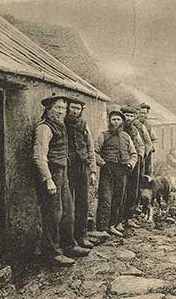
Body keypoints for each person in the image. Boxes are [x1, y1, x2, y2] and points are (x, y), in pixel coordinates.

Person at [33, 94, 90, 266]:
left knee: (68, 211)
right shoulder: (44, 128)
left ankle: (69, 245)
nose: (61, 111)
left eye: (63, 108)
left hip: (63, 172)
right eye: (57, 108)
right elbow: (39, 156)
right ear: (49, 110)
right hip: (52, 173)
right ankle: (52, 253)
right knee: (53, 214)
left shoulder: (61, 126)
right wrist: (48, 179)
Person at [95, 110, 137, 237]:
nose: (116, 122)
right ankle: (102, 228)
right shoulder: (103, 135)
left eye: (118, 120)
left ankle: (112, 225)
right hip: (107, 170)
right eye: (114, 119)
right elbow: (94, 152)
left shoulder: (126, 137)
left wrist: (130, 164)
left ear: (122, 122)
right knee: (105, 198)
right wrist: (102, 163)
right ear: (109, 121)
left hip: (122, 170)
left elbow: (133, 153)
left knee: (118, 199)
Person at [65, 97, 98, 249]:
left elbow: (90, 148)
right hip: (67, 167)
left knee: (82, 203)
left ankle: (82, 236)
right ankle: (68, 239)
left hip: (82, 167)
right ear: (67, 108)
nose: (75, 111)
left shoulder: (84, 125)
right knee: (68, 205)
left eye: (78, 109)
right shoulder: (62, 124)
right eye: (72, 108)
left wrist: (92, 170)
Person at [120, 105, 145, 229]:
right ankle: (118, 220)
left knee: (132, 190)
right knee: (121, 191)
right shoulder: (118, 128)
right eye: (126, 115)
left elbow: (141, 144)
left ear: (134, 117)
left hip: (135, 163)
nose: (128, 118)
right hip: (123, 164)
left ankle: (129, 217)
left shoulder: (135, 129)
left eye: (131, 116)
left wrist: (139, 155)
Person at [138, 103, 157, 175]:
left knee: (147, 172)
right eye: (140, 113)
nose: (142, 115)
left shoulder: (149, 126)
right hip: (138, 152)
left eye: (144, 113)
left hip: (147, 153)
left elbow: (154, 139)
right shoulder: (133, 125)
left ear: (147, 114)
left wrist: (152, 148)